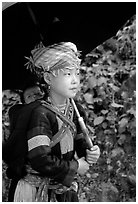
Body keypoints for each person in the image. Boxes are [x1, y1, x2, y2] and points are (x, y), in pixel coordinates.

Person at [4, 42, 100, 202]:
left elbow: (79, 140)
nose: (75, 80)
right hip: (36, 191)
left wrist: (89, 152)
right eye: (67, 74)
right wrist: (76, 166)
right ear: (48, 78)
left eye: (77, 73)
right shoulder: (40, 113)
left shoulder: (76, 109)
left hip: (64, 189)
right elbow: (40, 159)